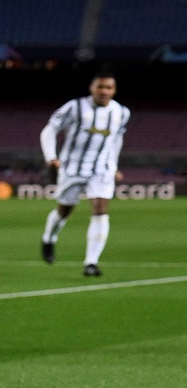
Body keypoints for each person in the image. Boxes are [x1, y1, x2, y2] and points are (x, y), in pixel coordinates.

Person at [38, 72, 130, 277]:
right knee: (64, 210)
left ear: (114, 90)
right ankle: (49, 238)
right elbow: (50, 130)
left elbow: (117, 139)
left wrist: (114, 166)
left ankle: (91, 262)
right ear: (92, 88)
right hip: (72, 168)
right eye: (100, 87)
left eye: (108, 88)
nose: (104, 91)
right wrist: (51, 157)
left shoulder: (121, 112)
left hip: (102, 169)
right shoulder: (75, 107)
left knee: (100, 208)